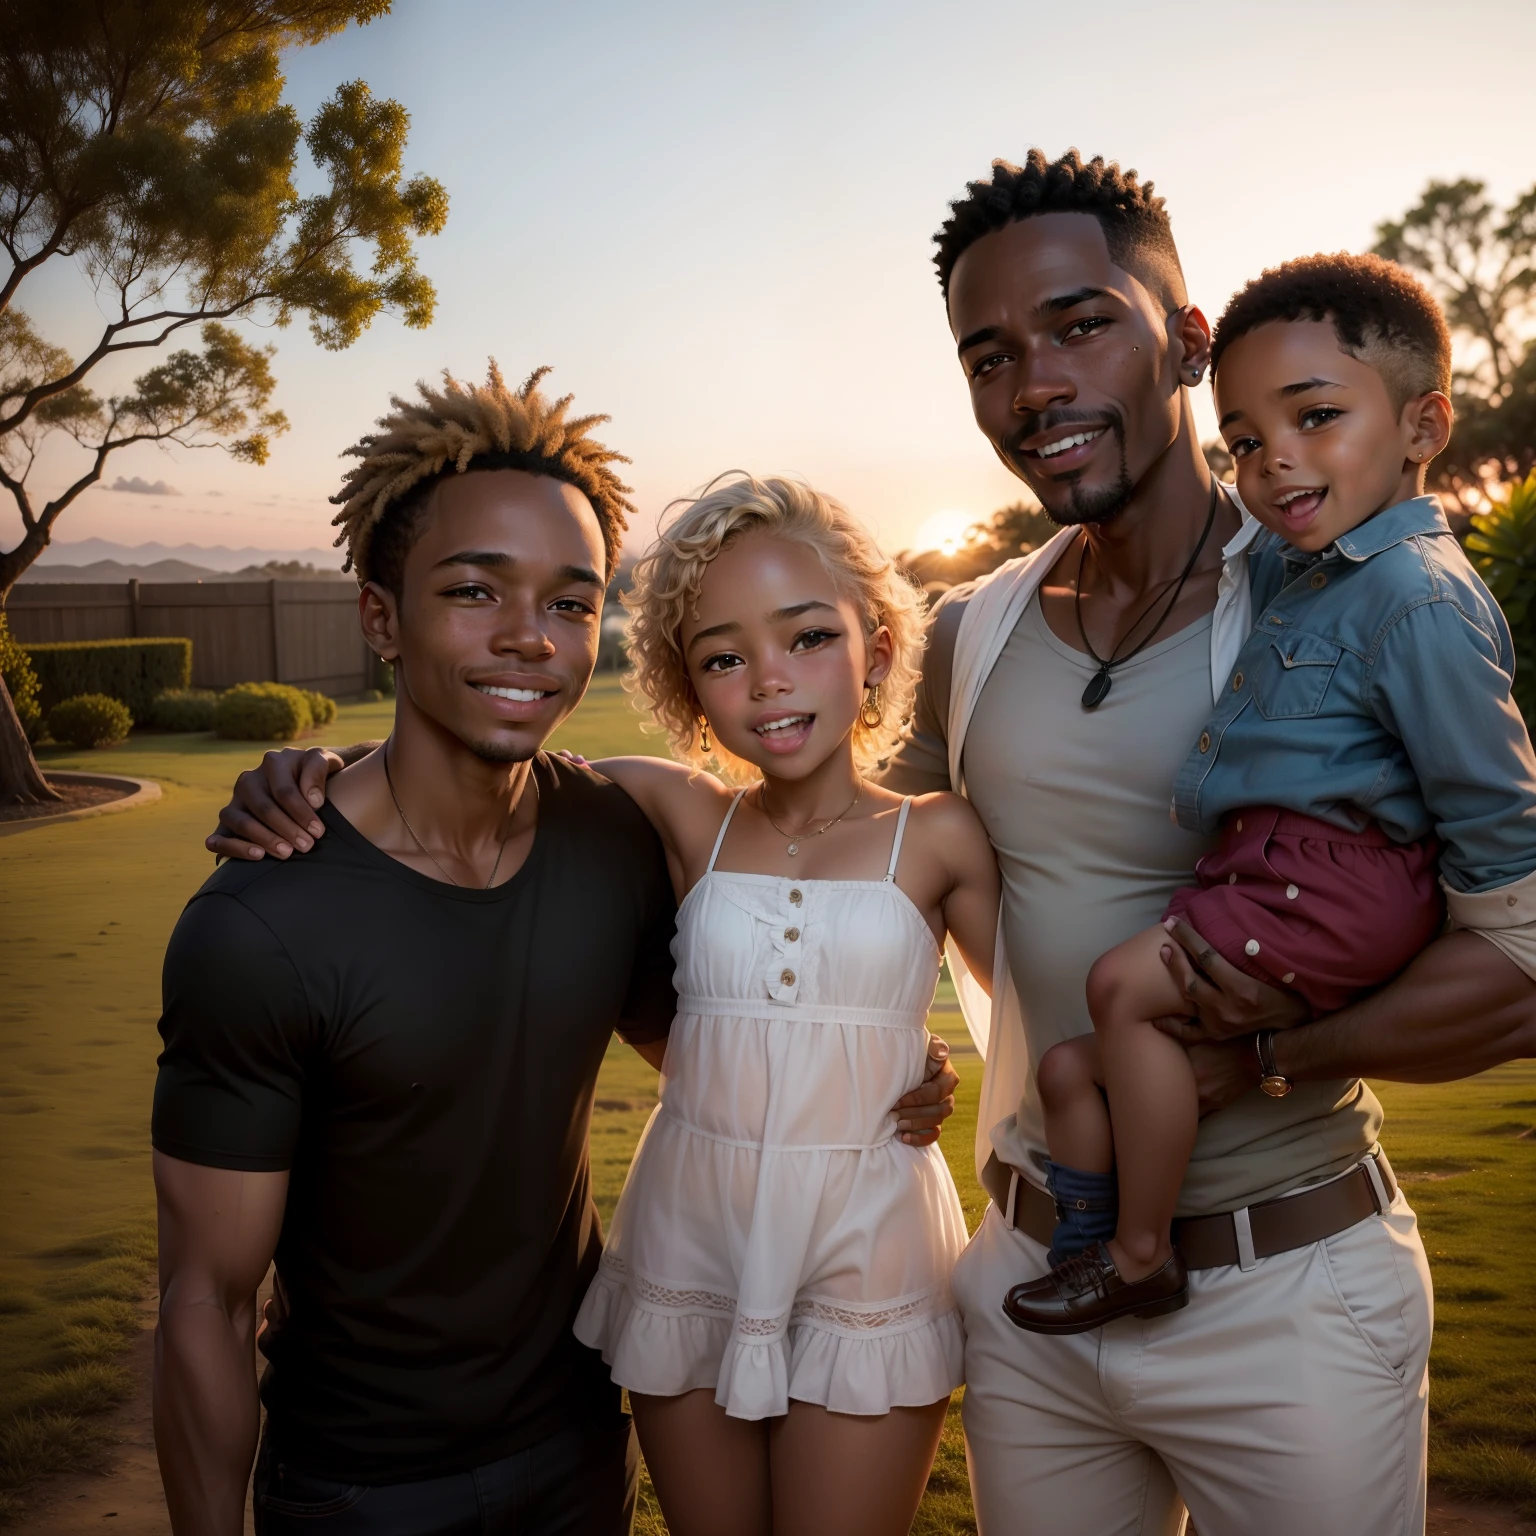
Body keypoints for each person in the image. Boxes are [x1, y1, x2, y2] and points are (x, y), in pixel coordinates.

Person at [157, 364, 962, 1536]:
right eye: (476, 592)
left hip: (583, 1449)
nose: (530, 638)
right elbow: (205, 1305)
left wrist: (891, 1071)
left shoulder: (611, 838)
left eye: (573, 603)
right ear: (381, 617)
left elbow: (715, 1051)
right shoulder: (261, 923)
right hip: (359, 1491)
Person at [879, 149, 1536, 1534]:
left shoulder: (1335, 604)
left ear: (1183, 340)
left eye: (1080, 324)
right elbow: (835, 837)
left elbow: (1522, 962)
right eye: (989, 355)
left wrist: (1277, 1058)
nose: (1037, 384)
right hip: (1030, 1274)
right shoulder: (969, 630)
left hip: (1284, 1293)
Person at [1003, 252, 1536, 1335]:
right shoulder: (1311, 569)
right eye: (1244, 441)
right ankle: (1092, 1235)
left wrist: (1469, 909)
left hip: (1332, 880)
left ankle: (1139, 1255)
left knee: (1120, 989)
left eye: (1317, 417)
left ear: (1425, 427)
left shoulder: (1413, 598)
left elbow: (1495, 818)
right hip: (1285, 868)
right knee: (1071, 1070)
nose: (1273, 463)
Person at [568, 475, 999, 1536]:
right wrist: (307, 773)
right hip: (691, 1230)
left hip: (868, 1234)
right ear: (689, 690)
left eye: (807, 637)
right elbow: (480, 775)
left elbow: (1041, 1022)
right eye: (723, 656)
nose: (767, 680)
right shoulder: (679, 813)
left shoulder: (936, 833)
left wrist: (924, 1066)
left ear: (879, 647)